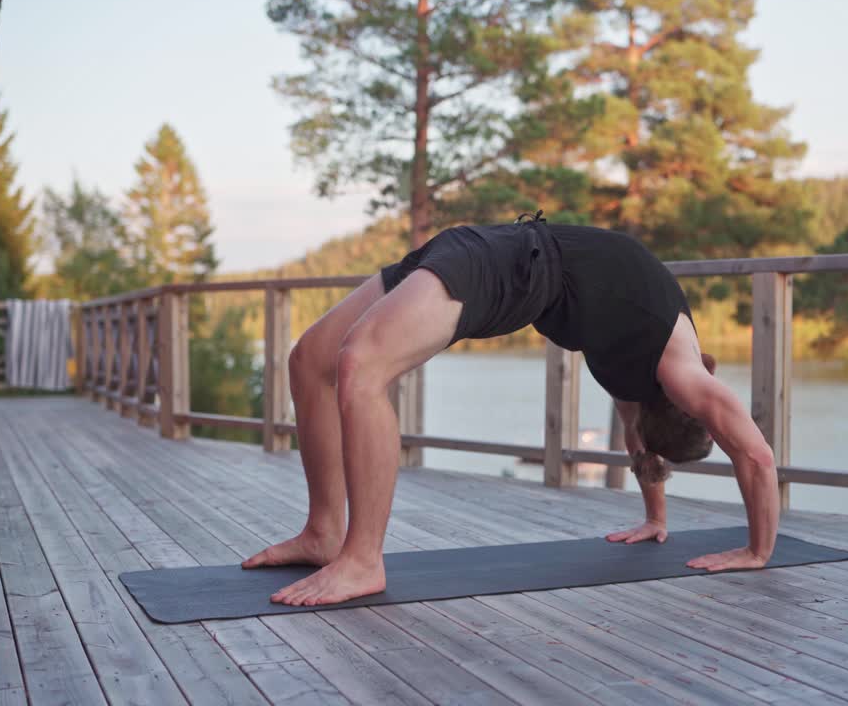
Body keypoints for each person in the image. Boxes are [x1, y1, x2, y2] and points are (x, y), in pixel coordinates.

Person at [242, 214, 780, 606]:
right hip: (512, 262)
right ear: (686, 402)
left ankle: (350, 550)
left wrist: (655, 519)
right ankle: (333, 540)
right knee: (317, 359)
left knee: (351, 363)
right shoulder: (679, 371)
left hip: (490, 249)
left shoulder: (642, 377)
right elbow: (755, 456)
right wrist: (758, 551)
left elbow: (639, 444)